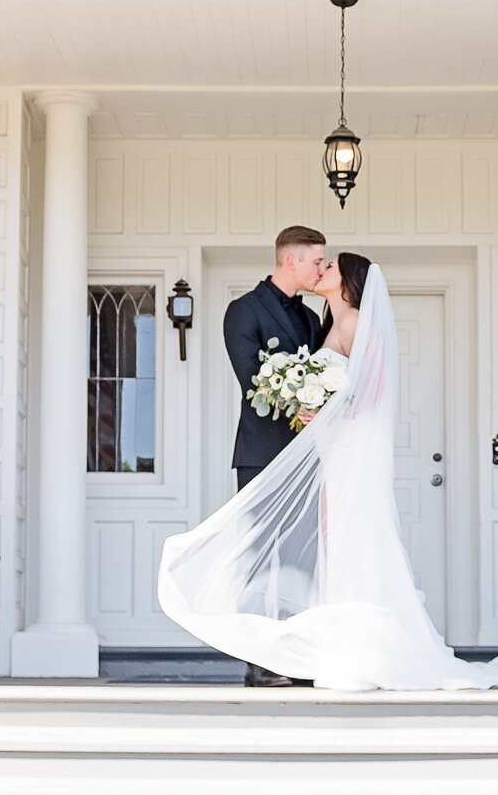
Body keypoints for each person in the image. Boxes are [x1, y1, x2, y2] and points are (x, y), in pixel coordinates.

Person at [159, 251, 498, 693]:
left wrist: (323, 409)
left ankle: (364, 655)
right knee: (333, 552)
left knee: (350, 544)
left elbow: (368, 394)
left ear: (348, 282)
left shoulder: (353, 322)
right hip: (329, 452)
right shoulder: (325, 322)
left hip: (348, 451)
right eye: (319, 262)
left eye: (329, 266)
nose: (322, 270)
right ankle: (335, 651)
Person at [220, 224, 327, 686]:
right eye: (317, 261)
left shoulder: (309, 318)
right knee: (262, 559)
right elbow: (252, 380)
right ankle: (259, 662)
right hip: (262, 454)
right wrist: (301, 405)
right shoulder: (243, 311)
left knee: (302, 560)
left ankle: (296, 657)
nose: (322, 268)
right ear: (291, 261)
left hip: (307, 458)